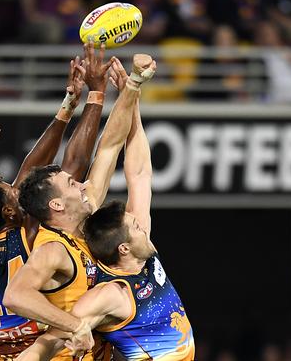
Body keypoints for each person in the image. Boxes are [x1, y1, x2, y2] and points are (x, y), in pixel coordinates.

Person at [16, 63, 195, 361]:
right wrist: (75, 327)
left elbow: (130, 166)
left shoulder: (100, 231)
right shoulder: (68, 262)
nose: (82, 185)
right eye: (72, 183)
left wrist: (132, 91)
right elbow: (40, 335)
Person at [0, 43, 114, 361]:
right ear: (8, 211)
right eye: (12, 191)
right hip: (36, 350)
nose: (19, 187)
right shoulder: (30, 233)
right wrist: (95, 95)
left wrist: (67, 106)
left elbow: (29, 170)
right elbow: (75, 162)